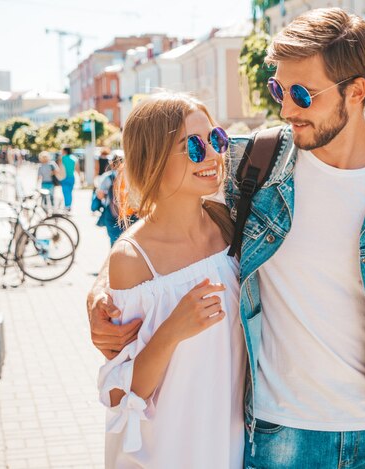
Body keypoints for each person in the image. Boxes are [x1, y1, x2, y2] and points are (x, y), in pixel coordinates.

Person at [88, 8, 365, 468]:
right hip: (279, 436)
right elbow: (165, 217)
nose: (287, 109)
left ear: (357, 90)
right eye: (279, 90)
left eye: (303, 94)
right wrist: (101, 291)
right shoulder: (253, 167)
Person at [97, 93, 245, 468]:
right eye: (193, 147)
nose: (213, 155)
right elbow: (125, 393)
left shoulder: (228, 224)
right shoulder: (132, 259)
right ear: (154, 157)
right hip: (169, 450)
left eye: (216, 140)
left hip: (232, 442)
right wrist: (173, 329)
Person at [95, 153, 135, 246]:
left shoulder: (108, 177)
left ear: (112, 163)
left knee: (115, 243)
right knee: (131, 243)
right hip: (131, 213)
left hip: (113, 214)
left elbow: (100, 195)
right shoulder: (132, 176)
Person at [59, 146, 83, 212]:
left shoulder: (62, 158)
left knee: (65, 192)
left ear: (65, 151)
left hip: (64, 177)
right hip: (72, 178)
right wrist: (81, 178)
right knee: (70, 192)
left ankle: (67, 206)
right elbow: (77, 169)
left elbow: (59, 168)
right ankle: (68, 205)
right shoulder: (74, 158)